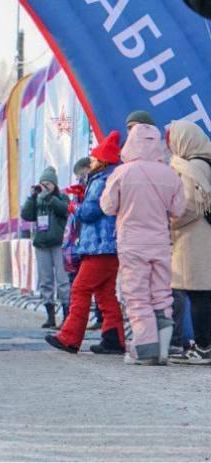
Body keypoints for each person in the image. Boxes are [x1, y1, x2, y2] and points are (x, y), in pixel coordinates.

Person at [102, 121, 186, 364]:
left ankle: (144, 349)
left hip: (132, 242)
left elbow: (108, 206)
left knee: (137, 296)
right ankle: (162, 350)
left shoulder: (123, 172)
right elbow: (178, 209)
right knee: (162, 295)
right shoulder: (170, 173)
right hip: (160, 241)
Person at [46, 132, 125, 355]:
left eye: (93, 158)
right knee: (105, 294)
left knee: (80, 289)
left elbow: (90, 212)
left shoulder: (101, 182)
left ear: (101, 161)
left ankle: (70, 338)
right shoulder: (107, 178)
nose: (90, 162)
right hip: (107, 247)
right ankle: (114, 339)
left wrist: (74, 207)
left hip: (99, 247)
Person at [165, 121, 211, 364]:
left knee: (199, 294)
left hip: (195, 239)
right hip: (201, 238)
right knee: (202, 293)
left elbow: (191, 205)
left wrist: (170, 222)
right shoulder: (205, 161)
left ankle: (204, 348)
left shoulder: (194, 166)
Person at [20, 167, 70, 329]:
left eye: (48, 184)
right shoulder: (37, 200)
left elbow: (65, 211)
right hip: (42, 244)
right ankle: (50, 316)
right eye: (43, 184)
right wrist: (31, 197)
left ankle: (67, 315)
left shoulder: (62, 198)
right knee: (46, 281)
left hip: (59, 244)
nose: (45, 187)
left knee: (63, 281)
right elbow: (26, 215)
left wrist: (49, 197)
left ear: (55, 185)